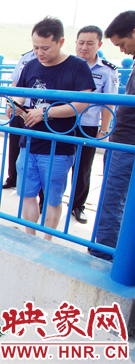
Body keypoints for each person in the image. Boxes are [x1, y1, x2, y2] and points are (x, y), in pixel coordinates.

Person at [6, 16, 95, 241]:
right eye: (35, 47)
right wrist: (14, 105)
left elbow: (82, 103)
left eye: (45, 47)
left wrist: (46, 112)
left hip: (59, 146)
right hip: (29, 142)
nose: (39, 52)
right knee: (27, 195)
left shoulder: (77, 67)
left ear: (60, 42)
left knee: (53, 198)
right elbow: (22, 94)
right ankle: (30, 239)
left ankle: (47, 243)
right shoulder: (31, 65)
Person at [91, 11, 135, 261]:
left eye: (122, 44)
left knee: (114, 198)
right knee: (117, 198)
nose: (122, 51)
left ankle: (104, 252)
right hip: (123, 141)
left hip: (128, 144)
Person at [72, 26, 118, 224]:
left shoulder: (107, 70)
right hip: (60, 122)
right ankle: (44, 201)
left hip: (87, 126)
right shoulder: (67, 64)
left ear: (99, 44)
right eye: (81, 42)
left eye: (90, 43)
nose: (84, 47)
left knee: (82, 169)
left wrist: (104, 129)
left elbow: (109, 102)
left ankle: (77, 205)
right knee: (53, 164)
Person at [1, 50, 37, 190]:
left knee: (33, 148)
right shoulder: (26, 58)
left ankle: (29, 183)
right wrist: (11, 105)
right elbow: (15, 83)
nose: (40, 50)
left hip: (35, 110)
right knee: (14, 144)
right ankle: (13, 178)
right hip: (19, 108)